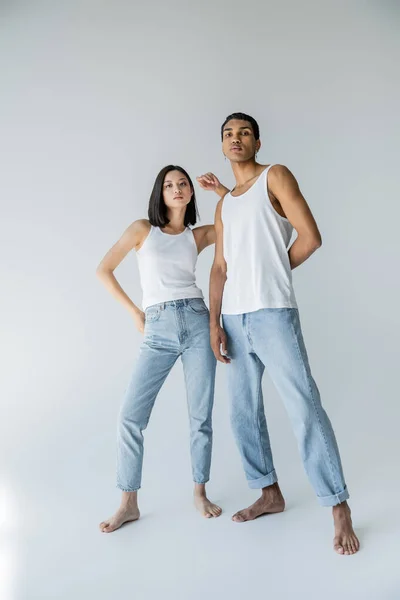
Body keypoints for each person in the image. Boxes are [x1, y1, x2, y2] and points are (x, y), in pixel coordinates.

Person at [197, 112, 360, 555]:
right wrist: (214, 322)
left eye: (244, 132)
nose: (236, 139)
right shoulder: (225, 203)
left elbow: (310, 237)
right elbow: (219, 267)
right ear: (222, 144)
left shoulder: (276, 176)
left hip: (272, 313)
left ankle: (337, 504)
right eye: (228, 134)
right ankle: (269, 492)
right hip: (233, 317)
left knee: (304, 406)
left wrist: (270, 273)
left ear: (257, 141)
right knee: (242, 414)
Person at [97, 165, 222, 533]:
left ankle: (199, 492)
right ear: (160, 193)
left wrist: (221, 190)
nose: (178, 189)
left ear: (190, 193)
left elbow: (234, 219)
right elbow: (104, 269)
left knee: (201, 416)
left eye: (183, 184)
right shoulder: (143, 230)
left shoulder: (196, 236)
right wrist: (136, 312)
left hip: (198, 321)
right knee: (130, 417)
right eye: (169, 185)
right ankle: (128, 503)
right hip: (158, 327)